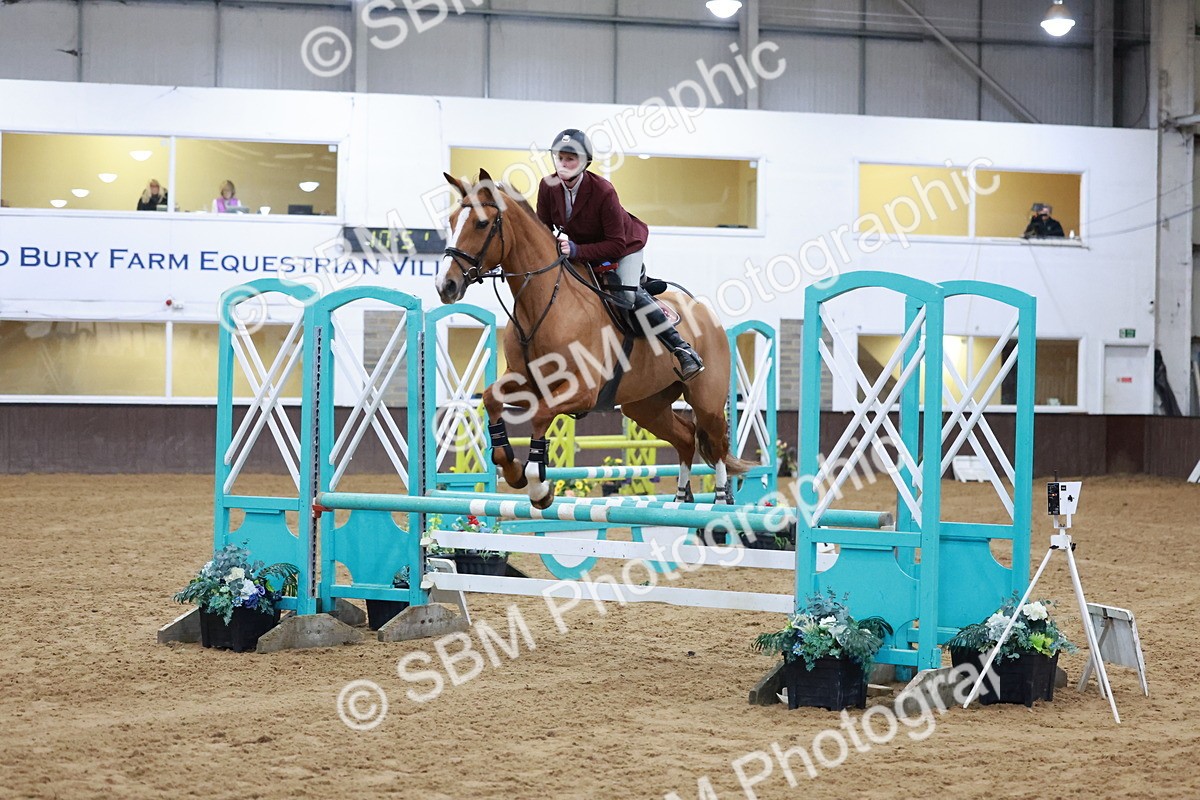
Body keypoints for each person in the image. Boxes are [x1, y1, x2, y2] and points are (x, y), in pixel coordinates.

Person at [535, 128, 703, 381]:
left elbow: (615, 244)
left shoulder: (603, 190)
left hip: (624, 247)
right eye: (560, 157)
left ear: (584, 162)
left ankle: (682, 349)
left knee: (626, 294)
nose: (563, 163)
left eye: (570, 158)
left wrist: (577, 250)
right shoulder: (548, 186)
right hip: (580, 249)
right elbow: (543, 228)